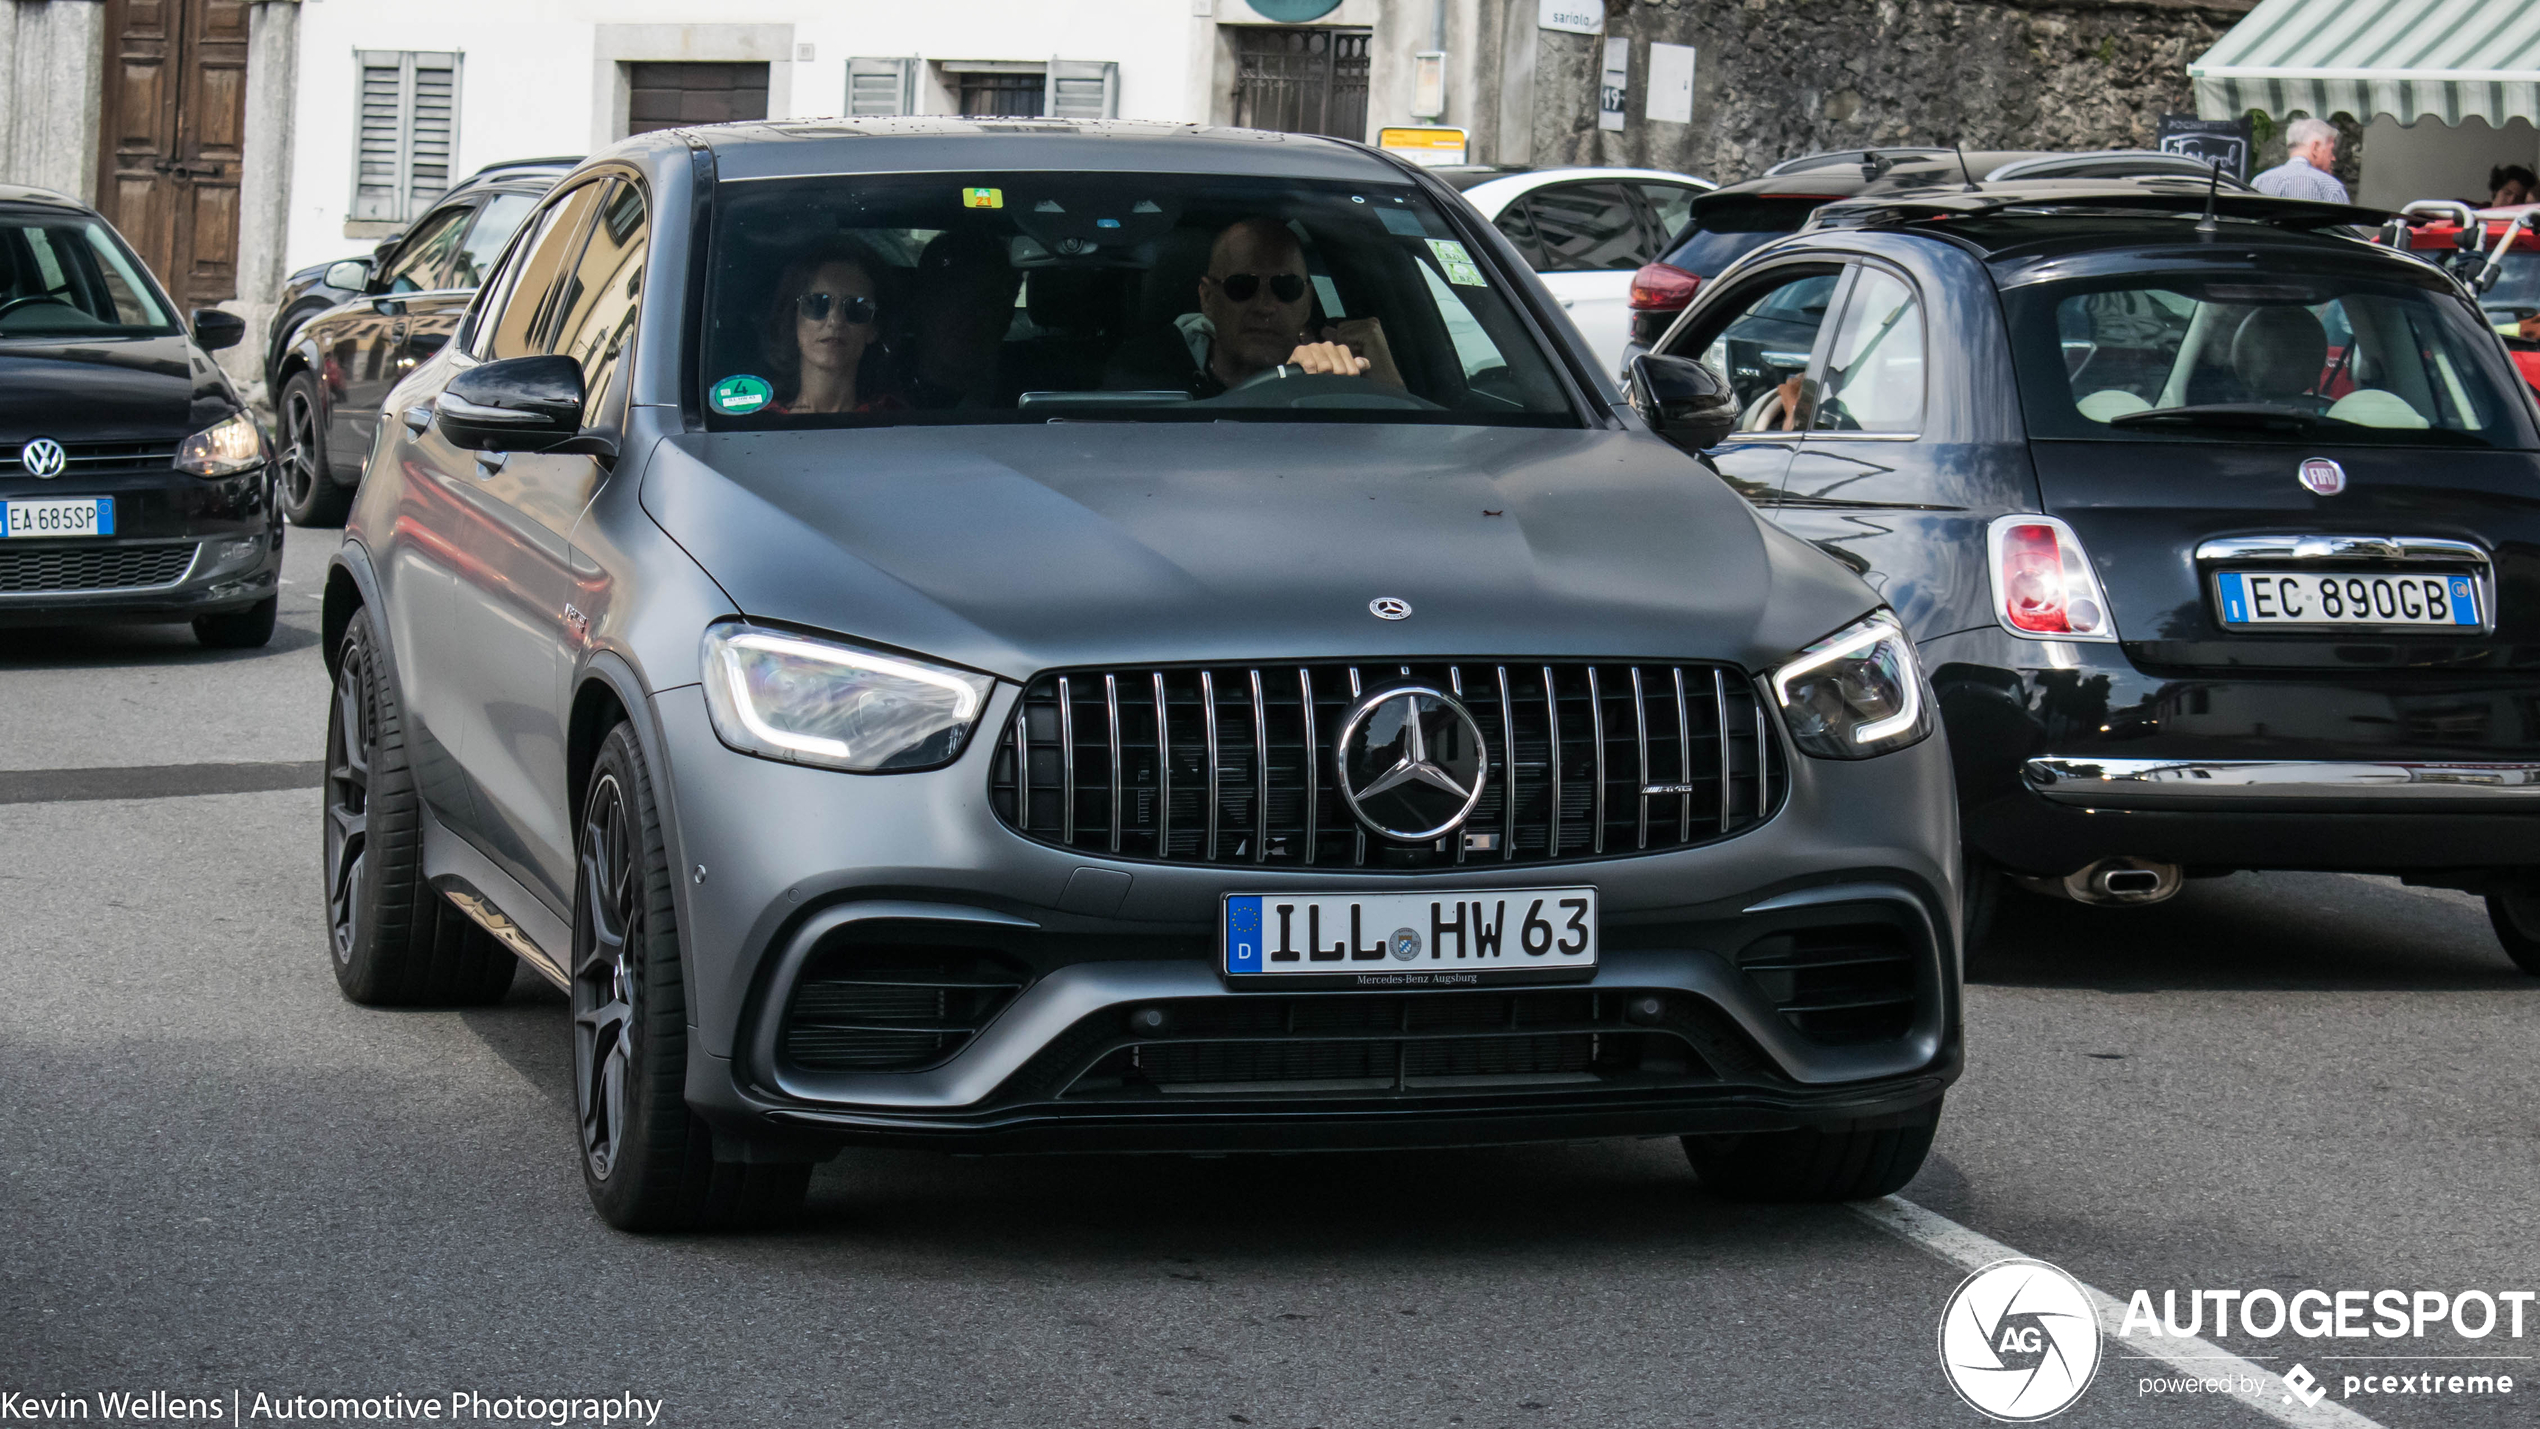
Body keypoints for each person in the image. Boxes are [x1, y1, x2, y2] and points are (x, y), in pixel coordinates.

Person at [1180, 216, 1370, 396]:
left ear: (1307, 303)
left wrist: (1377, 377)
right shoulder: (1162, 369)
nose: (1265, 307)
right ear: (1208, 298)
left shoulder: (1334, 383)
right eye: (1242, 286)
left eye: (1287, 287)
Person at [763, 248, 902, 414]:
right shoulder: (752, 421)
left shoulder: (897, 420)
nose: (835, 320)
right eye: (817, 303)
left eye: (857, 307)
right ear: (794, 318)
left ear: (874, 329)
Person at [904, 230, 1021, 409]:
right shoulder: (874, 399)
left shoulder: (1043, 395)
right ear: (919, 306)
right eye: (952, 297)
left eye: (986, 301)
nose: (969, 316)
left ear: (1007, 314)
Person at [2250, 117, 2349, 203]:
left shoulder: (2259, 182)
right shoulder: (2331, 187)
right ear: (2316, 147)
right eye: (2331, 150)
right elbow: (2348, 225)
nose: (2333, 158)